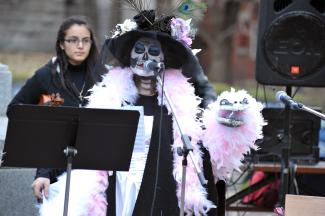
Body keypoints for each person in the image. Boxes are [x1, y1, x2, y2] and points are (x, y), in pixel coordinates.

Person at [38, 9, 264, 216]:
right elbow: (80, 143)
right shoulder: (112, 100)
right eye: (139, 50)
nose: (145, 57)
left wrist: (229, 122)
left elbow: (201, 147)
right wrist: (44, 173)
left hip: (159, 189)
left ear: (164, 60)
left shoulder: (175, 107)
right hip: (118, 190)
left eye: (153, 51)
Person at [7, 15, 99, 202]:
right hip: (54, 162)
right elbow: (15, 110)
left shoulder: (101, 74)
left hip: (94, 162)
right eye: (73, 40)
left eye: (85, 40)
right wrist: (46, 115)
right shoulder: (46, 75)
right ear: (62, 44)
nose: (80, 45)